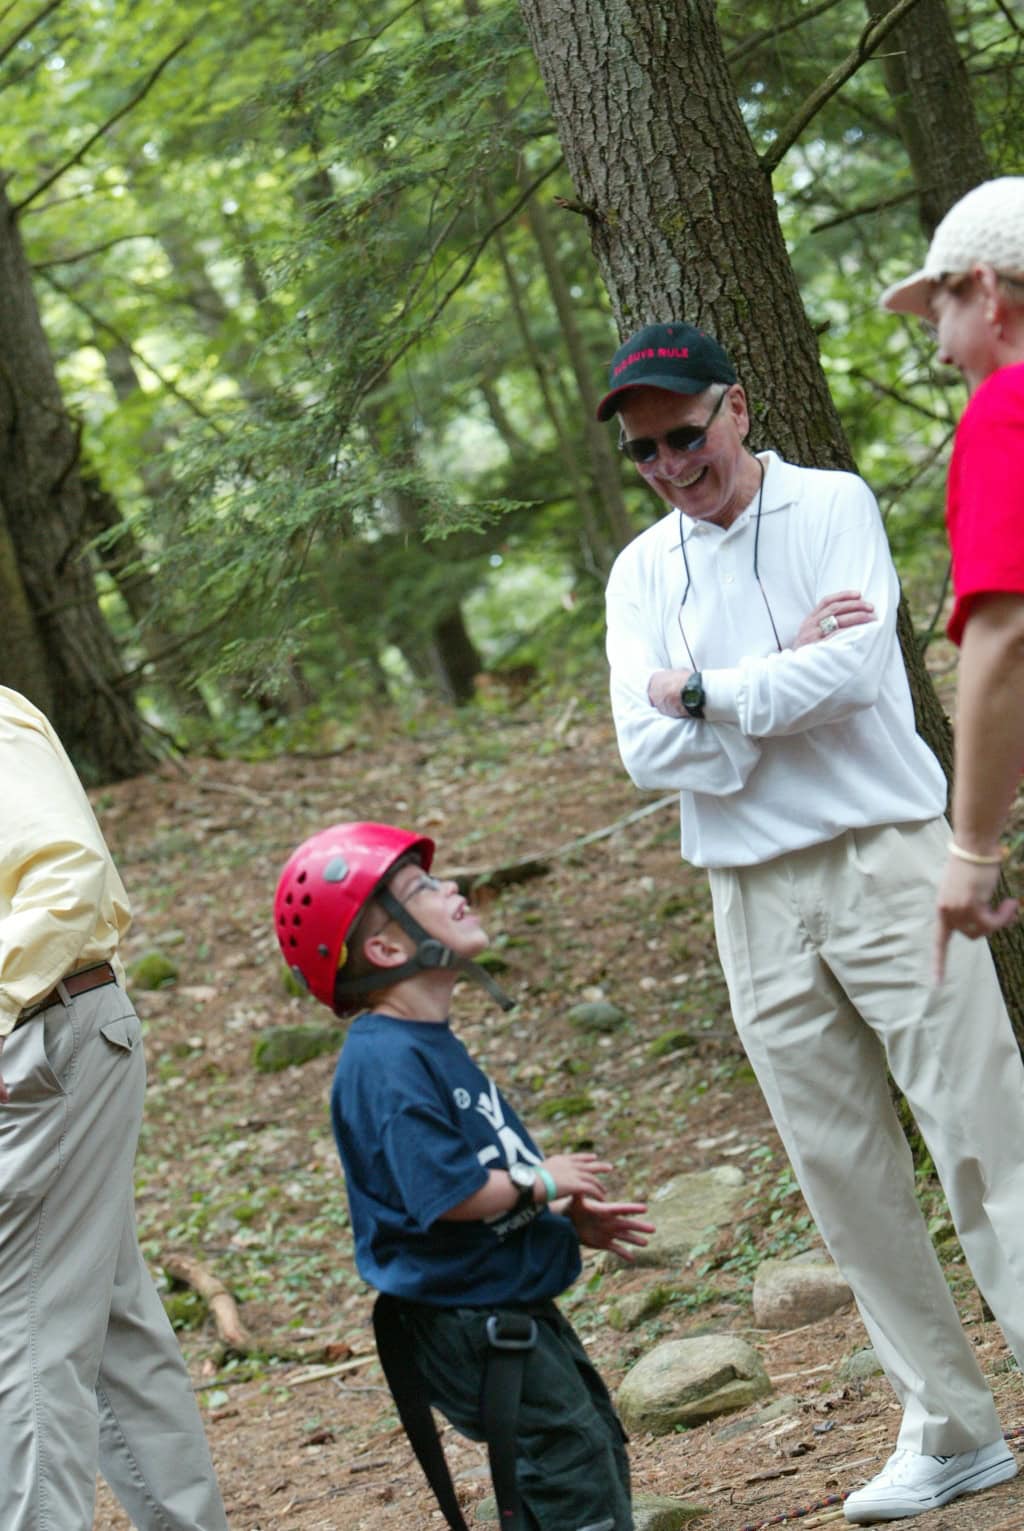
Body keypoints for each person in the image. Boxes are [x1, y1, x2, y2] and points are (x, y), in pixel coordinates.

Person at [598, 322, 1024, 1525]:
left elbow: (845, 677)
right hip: (748, 897)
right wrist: (762, 685)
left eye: (686, 435)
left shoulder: (829, 503)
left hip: (886, 859)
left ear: (734, 408)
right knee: (840, 1172)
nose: (673, 466)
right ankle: (948, 1426)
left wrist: (704, 693)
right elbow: (643, 754)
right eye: (646, 453)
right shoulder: (640, 573)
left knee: (984, 1128)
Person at [273, 820, 652, 1531]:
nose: (452, 887)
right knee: (569, 1463)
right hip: (469, 1320)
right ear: (385, 948)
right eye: (422, 887)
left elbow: (473, 1177)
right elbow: (445, 1194)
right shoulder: (385, 1062)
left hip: (499, 1300)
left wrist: (557, 1219)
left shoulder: (424, 1043)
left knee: (589, 1442)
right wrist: (542, 1182)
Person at [0, 686, 229, 1530]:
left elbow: (68, 874)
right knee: (113, 1320)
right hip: (43, 1037)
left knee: (20, 1330)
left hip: (38, 1041)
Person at [881, 176, 1024, 978]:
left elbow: (1006, 638)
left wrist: (971, 846)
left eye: (943, 314)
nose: (939, 350)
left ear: (990, 292)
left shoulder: (1008, 405)